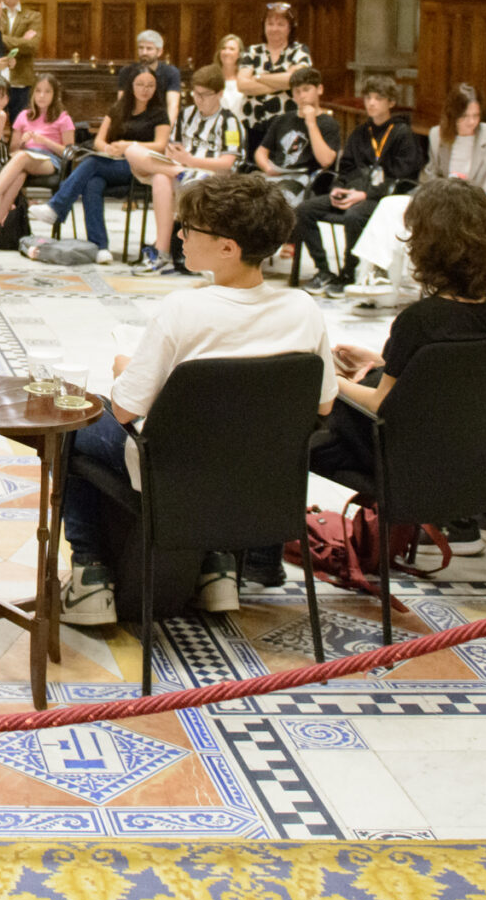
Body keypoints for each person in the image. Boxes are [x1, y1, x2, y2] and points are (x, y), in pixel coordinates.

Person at [59, 172, 335, 624]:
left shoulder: (183, 310)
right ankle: (216, 566)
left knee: (74, 421)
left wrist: (126, 367)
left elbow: (125, 409)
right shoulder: (304, 309)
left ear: (228, 247)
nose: (180, 235)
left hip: (174, 474)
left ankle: (90, 573)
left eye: (190, 228)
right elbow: (322, 406)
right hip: (261, 476)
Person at [318, 178, 486, 551]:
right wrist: (380, 361)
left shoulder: (421, 319)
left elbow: (380, 403)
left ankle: (265, 552)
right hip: (463, 451)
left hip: (402, 456)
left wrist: (328, 377)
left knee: (309, 428)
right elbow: (445, 370)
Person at [350, 83, 486, 303]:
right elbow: (429, 174)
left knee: (406, 212)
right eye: (465, 116)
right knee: (390, 204)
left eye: (475, 115)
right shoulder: (438, 135)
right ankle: (378, 272)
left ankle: (382, 274)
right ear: (452, 116)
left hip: (472, 205)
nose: (471, 122)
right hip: (442, 199)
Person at [295, 82, 426, 296]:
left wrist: (365, 194)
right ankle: (324, 270)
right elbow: (346, 167)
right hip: (352, 193)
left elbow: (402, 178)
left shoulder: (403, 134)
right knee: (304, 209)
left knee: (354, 216)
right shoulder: (360, 132)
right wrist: (338, 188)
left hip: (381, 198)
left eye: (378, 98)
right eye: (368, 98)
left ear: (391, 103)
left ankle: (348, 274)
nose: (371, 103)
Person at [38, 64, 168, 264]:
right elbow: (99, 140)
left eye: (150, 85)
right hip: (113, 164)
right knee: (92, 183)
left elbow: (160, 145)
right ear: (131, 86)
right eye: (140, 84)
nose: (145, 89)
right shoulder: (118, 108)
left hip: (139, 168)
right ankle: (100, 247)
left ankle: (57, 206)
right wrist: (108, 149)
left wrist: (128, 145)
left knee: (92, 163)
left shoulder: (159, 113)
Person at [132, 64, 240, 275]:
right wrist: (175, 157)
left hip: (211, 177)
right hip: (180, 169)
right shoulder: (186, 115)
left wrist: (191, 160)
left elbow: (228, 162)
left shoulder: (230, 121)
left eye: (204, 95)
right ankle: (162, 253)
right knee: (135, 154)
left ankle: (165, 251)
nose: (198, 99)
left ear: (219, 93)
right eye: (195, 94)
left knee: (165, 177)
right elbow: (172, 147)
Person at [0, 75, 74, 249]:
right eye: (38, 91)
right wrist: (22, 142)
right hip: (23, 159)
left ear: (55, 95)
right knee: (19, 173)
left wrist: (45, 141)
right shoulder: (24, 116)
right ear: (32, 94)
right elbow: (13, 149)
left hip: (49, 160)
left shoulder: (63, 118)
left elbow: (68, 153)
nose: (42, 96)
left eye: (47, 92)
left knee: (21, 158)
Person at [250, 68, 341, 208]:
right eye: (297, 91)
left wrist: (311, 123)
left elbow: (326, 160)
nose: (302, 95)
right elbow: (261, 151)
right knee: (244, 193)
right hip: (276, 174)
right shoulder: (282, 119)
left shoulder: (328, 123)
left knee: (275, 200)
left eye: (306, 90)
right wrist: (267, 168)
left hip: (304, 178)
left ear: (319, 89)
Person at [233, 3, 313, 149]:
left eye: (281, 24)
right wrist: (282, 83)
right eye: (270, 24)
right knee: (253, 163)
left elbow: (295, 80)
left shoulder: (299, 51)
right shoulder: (252, 51)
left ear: (290, 28)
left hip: (288, 127)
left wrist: (258, 77)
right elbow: (242, 85)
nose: (274, 28)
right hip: (254, 126)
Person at [0, 0, 43, 130]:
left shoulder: (33, 17)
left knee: (20, 130)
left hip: (22, 83)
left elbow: (32, 46)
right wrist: (22, 41)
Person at [116, 29, 183, 125]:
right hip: (133, 123)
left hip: (160, 122)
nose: (144, 52)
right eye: (141, 48)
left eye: (149, 49)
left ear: (159, 52)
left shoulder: (171, 72)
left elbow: (172, 106)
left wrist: (166, 129)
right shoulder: (126, 71)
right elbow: (122, 104)